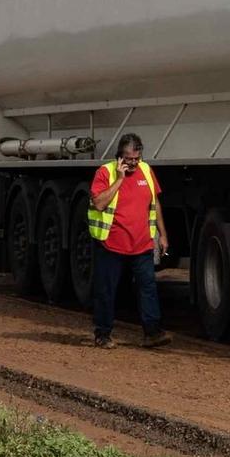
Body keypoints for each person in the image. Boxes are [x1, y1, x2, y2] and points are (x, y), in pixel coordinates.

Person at [87, 133, 171, 349]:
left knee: (148, 288)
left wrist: (162, 235)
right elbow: (99, 203)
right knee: (106, 290)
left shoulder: (146, 170)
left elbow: (155, 203)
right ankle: (102, 334)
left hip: (141, 243)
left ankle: (152, 332)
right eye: (129, 159)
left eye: (136, 158)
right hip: (111, 243)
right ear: (119, 157)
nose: (133, 163)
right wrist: (120, 179)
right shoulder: (105, 173)